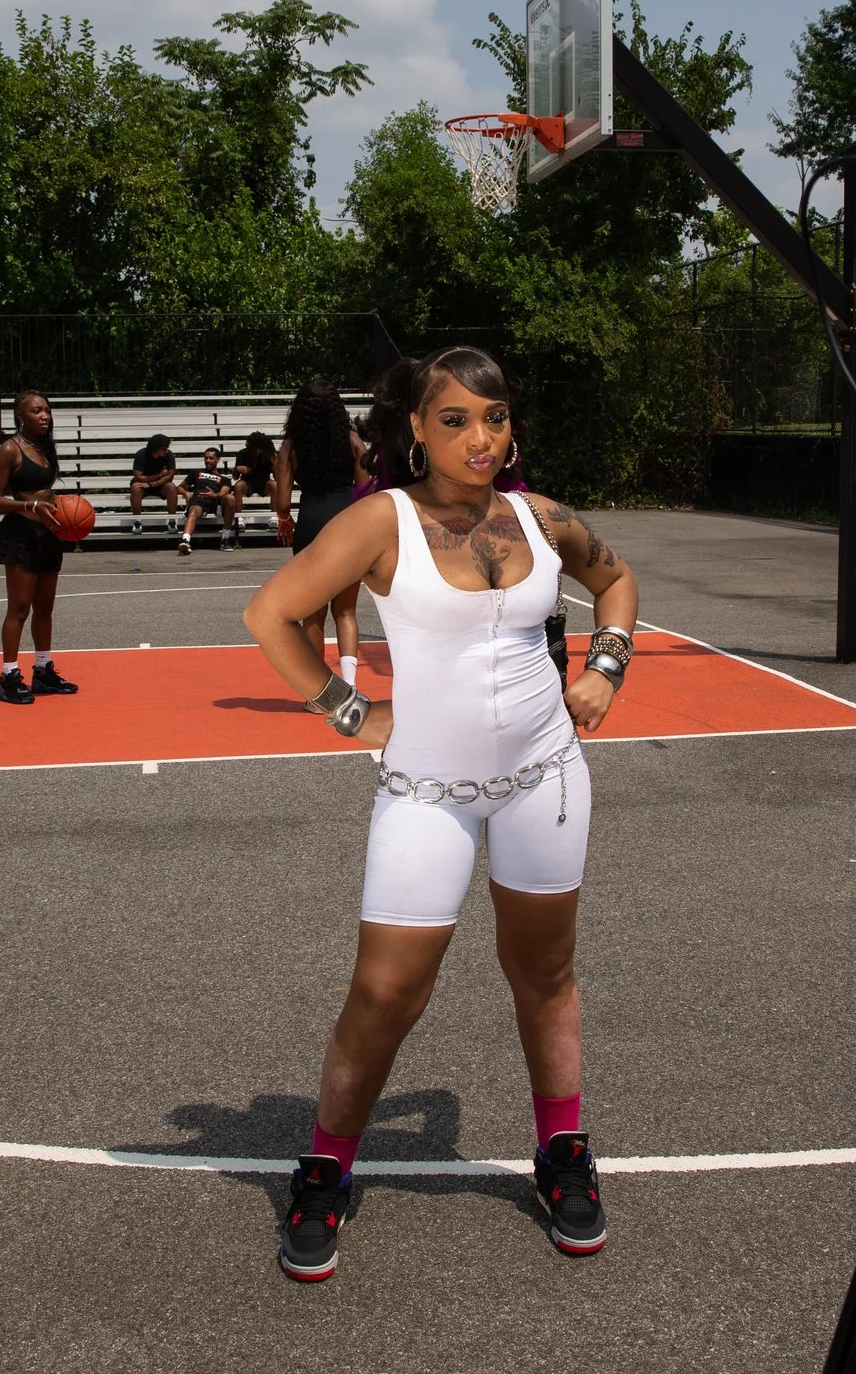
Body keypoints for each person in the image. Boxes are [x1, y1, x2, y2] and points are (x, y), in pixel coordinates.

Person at [242, 347, 640, 1282]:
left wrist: (604, 667)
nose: (479, 437)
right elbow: (271, 613)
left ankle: (562, 1153)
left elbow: (618, 581)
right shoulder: (383, 520)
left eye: (494, 418)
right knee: (385, 995)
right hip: (426, 792)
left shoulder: (542, 518)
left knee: (544, 975)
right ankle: (327, 1166)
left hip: (546, 776)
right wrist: (351, 713)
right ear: (415, 429)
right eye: (455, 419)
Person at [0, 390, 79, 704]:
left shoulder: (45, 447)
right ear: (20, 417)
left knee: (45, 608)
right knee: (19, 608)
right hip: (21, 534)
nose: (45, 416)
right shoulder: (9, 450)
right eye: (37, 411)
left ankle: (42, 670)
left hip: (49, 533)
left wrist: (68, 512)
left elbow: (45, 492)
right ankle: (8, 676)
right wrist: (31, 507)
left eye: (47, 411)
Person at [274, 380, 367, 690]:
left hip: (311, 520)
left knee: (313, 615)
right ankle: (350, 685)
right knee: (346, 610)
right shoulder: (352, 439)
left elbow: (283, 502)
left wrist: (284, 520)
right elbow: (366, 488)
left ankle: (320, 693)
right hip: (347, 520)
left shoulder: (291, 446)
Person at [176, 448, 235, 556]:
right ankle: (185, 541)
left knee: (230, 498)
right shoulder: (196, 473)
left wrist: (215, 495)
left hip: (216, 503)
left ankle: (225, 538)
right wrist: (185, 493)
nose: (208, 460)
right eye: (206, 458)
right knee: (194, 509)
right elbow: (179, 488)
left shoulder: (224, 479)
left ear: (218, 459)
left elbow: (224, 492)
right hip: (199, 501)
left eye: (211, 458)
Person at [227, 430, 277, 544]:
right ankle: (239, 518)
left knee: (274, 484)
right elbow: (235, 477)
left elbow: (277, 477)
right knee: (238, 485)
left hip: (264, 483)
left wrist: (275, 465)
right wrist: (237, 469)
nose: (258, 451)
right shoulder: (242, 454)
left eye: (260, 448)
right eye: (256, 448)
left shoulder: (269, 455)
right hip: (248, 483)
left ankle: (274, 517)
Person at [129, 434, 179, 532]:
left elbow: (170, 476)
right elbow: (138, 477)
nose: (167, 450)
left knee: (171, 487)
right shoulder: (141, 454)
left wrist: (151, 484)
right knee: (135, 487)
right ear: (156, 448)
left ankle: (172, 520)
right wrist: (159, 475)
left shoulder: (169, 455)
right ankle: (137, 521)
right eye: (164, 448)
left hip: (159, 485)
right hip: (143, 485)